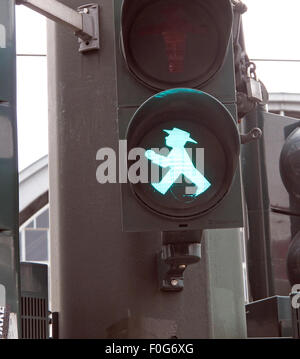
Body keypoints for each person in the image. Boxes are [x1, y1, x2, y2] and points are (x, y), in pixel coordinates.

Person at [145, 128, 211, 196]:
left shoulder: (178, 151)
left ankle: (162, 186)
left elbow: (166, 163)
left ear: (176, 140)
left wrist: (153, 156)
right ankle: (162, 186)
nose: (166, 137)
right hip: (197, 182)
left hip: (198, 183)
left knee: (175, 170)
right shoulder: (177, 149)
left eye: (170, 136)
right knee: (175, 170)